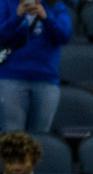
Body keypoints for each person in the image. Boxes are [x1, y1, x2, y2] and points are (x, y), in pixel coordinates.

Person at [0, 0, 71, 133]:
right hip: (11, 77)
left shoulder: (55, 5)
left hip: (46, 79)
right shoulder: (5, 3)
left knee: (41, 137)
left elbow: (64, 36)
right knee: (12, 135)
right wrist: (17, 16)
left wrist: (46, 18)